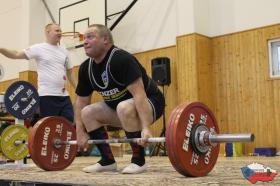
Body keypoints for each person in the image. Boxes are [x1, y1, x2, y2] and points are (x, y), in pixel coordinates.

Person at [75, 24, 165, 174]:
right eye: (84, 38)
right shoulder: (86, 68)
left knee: (124, 107)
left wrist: (146, 128)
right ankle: (107, 161)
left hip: (151, 102)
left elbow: (139, 94)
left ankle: (139, 161)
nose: (84, 41)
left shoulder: (122, 59)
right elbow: (81, 102)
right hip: (119, 108)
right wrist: (79, 131)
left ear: (105, 40)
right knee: (87, 112)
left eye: (90, 37)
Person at [0, 23, 76, 122]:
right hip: (47, 96)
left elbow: (70, 73)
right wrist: (1, 49)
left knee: (68, 125)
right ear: (47, 32)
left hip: (64, 96)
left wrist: (77, 90)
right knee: (49, 128)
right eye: (57, 30)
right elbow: (16, 54)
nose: (60, 33)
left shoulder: (64, 51)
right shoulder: (39, 48)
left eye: (60, 31)